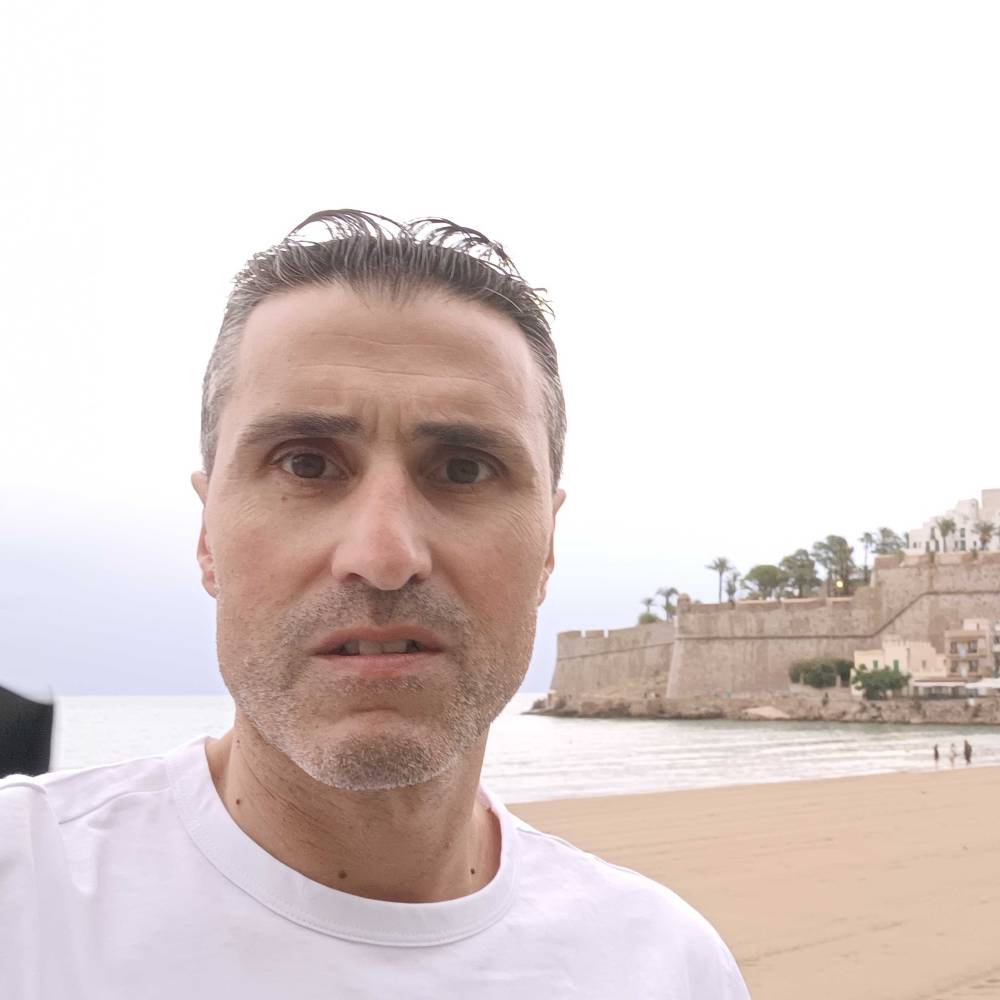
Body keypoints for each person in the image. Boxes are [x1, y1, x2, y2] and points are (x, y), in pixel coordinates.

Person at [0, 210, 750, 999]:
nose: (384, 556)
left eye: (463, 469)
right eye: (305, 464)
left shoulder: (666, 967)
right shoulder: (23, 892)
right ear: (207, 535)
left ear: (548, 548)